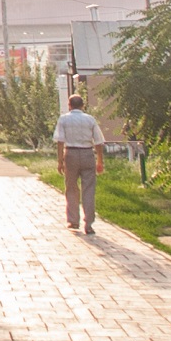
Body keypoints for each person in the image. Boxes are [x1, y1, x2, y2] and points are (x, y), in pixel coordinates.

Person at [53, 93, 106, 235]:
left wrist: (60, 161)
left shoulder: (64, 119)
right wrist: (100, 160)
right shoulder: (90, 119)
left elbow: (60, 141)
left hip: (71, 154)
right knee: (89, 189)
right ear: (83, 105)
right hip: (88, 154)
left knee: (71, 187)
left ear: (69, 106)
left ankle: (73, 220)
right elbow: (99, 141)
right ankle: (89, 223)